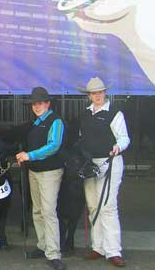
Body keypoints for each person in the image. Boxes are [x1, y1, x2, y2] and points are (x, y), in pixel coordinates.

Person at [77, 77, 130, 268]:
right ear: (89, 95)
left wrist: (118, 147)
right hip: (90, 164)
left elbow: (124, 138)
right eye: (94, 93)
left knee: (108, 206)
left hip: (110, 162)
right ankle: (98, 246)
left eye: (100, 92)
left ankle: (113, 250)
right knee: (93, 206)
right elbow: (82, 137)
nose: (97, 96)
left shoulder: (115, 113)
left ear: (104, 93)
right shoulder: (85, 114)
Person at [15, 87, 66, 270]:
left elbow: (54, 146)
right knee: (37, 210)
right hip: (34, 172)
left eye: (40, 103)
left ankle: (54, 254)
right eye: (34, 104)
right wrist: (25, 156)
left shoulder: (56, 121)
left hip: (50, 172)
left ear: (47, 103)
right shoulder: (36, 122)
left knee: (48, 211)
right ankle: (43, 246)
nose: (37, 106)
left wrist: (30, 156)